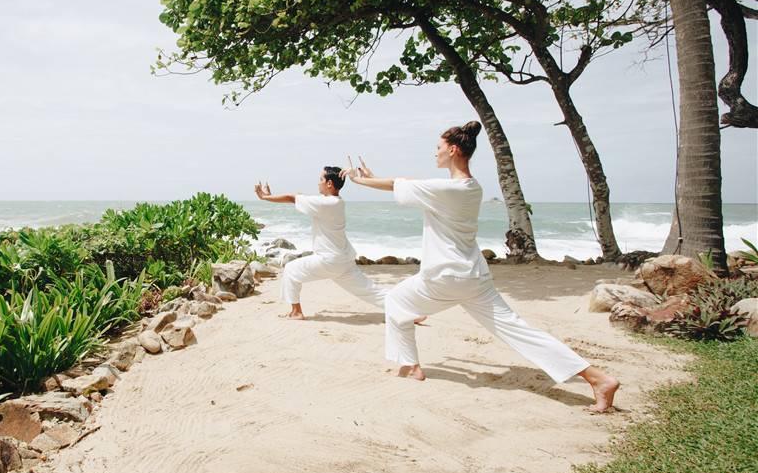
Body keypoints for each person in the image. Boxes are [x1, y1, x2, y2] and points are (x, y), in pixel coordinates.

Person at [342, 122, 620, 412]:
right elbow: (406, 182)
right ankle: (597, 379)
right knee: (519, 331)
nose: (434, 153)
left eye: (438, 148)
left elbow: (400, 183)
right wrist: (376, 179)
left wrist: (360, 181)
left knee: (397, 302)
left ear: (452, 150)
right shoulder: (471, 187)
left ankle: (411, 368)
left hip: (444, 277)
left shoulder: (445, 190)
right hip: (475, 277)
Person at [254, 166, 388, 320]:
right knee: (372, 291)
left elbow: (293, 198)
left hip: (329, 261)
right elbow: (300, 197)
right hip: (344, 260)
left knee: (291, 269)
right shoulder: (337, 202)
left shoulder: (325, 204)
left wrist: (265, 197)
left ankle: (296, 312)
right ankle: (408, 313)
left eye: (321, 180)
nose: (318, 183)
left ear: (329, 183)